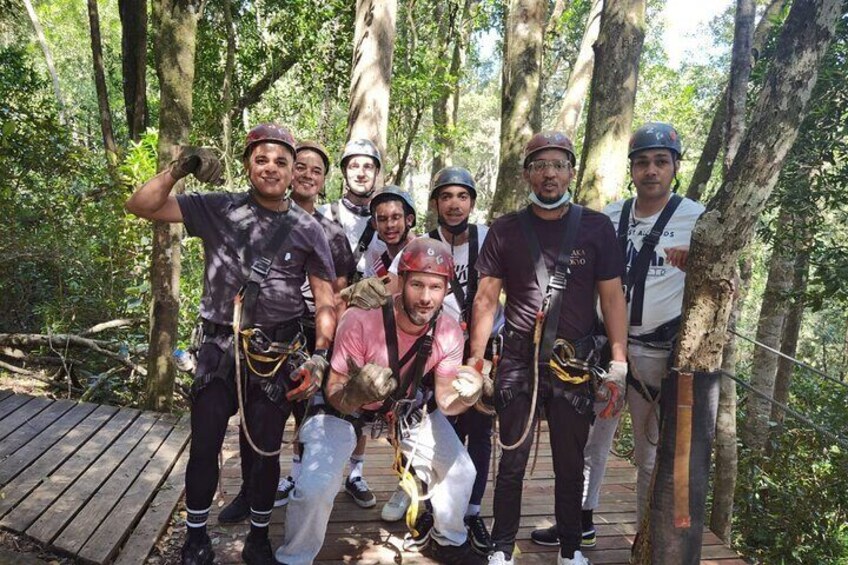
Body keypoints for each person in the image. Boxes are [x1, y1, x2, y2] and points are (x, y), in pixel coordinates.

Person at [125, 124, 337, 565]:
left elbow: (325, 301)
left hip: (274, 354)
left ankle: (258, 537)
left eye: (281, 162)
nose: (271, 168)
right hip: (218, 347)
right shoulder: (217, 208)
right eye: (261, 160)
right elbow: (141, 204)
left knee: (264, 452)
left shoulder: (308, 229)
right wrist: (180, 168)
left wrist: (319, 358)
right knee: (204, 445)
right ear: (247, 165)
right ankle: (195, 538)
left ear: (293, 171)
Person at [530, 122, 705, 550]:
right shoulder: (609, 216)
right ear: (631, 169)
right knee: (591, 438)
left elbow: (726, 282)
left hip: (658, 351)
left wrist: (697, 262)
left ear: (675, 167)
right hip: (604, 349)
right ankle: (579, 521)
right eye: (642, 162)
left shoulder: (697, 219)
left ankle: (647, 538)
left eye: (660, 162)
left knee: (650, 450)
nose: (651, 171)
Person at [275, 238, 489, 565]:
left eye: (435, 286)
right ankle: (294, 557)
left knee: (461, 470)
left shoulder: (448, 331)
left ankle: (449, 541)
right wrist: (355, 393)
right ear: (401, 282)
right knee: (315, 486)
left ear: (447, 289)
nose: (426, 297)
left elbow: (446, 401)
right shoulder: (361, 319)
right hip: (344, 411)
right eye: (417, 284)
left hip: (403, 409)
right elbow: (334, 391)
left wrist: (469, 395)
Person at [468, 131, 629, 565]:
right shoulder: (505, 230)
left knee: (570, 461)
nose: (549, 174)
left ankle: (570, 549)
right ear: (527, 174)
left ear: (572, 172)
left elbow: (612, 297)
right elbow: (486, 299)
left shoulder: (596, 227)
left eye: (558, 165)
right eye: (539, 165)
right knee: (512, 459)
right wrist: (476, 362)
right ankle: (502, 548)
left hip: (573, 362)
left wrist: (618, 362)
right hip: (518, 359)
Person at [383, 167, 503, 554]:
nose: (454, 204)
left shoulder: (489, 238)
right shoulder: (420, 245)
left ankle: (471, 511)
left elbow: (511, 288)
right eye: (446, 196)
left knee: (479, 432)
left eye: (462, 196)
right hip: (433, 351)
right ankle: (428, 506)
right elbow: (392, 288)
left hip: (481, 349)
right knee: (434, 429)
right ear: (435, 203)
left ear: (472, 201)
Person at [271, 140, 356, 508]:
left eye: (316, 171)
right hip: (273, 331)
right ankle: (260, 487)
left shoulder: (332, 233)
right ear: (290, 173)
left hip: (316, 332)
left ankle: (305, 481)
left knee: (312, 411)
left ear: (323, 182)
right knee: (271, 410)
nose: (307, 175)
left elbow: (341, 293)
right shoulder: (268, 220)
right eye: (301, 167)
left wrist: (330, 343)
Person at [309, 138, 386, 509]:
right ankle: (300, 470)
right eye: (354, 165)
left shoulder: (386, 216)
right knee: (312, 397)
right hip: (323, 313)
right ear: (343, 172)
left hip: (365, 320)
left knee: (361, 394)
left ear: (376, 173)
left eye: (368, 166)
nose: (361, 172)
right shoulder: (323, 213)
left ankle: (355, 472)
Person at [363, 186, 417, 278]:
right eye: (382, 219)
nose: (389, 225)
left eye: (396, 217)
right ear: (375, 224)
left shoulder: (425, 254)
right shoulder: (379, 269)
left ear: (409, 220)